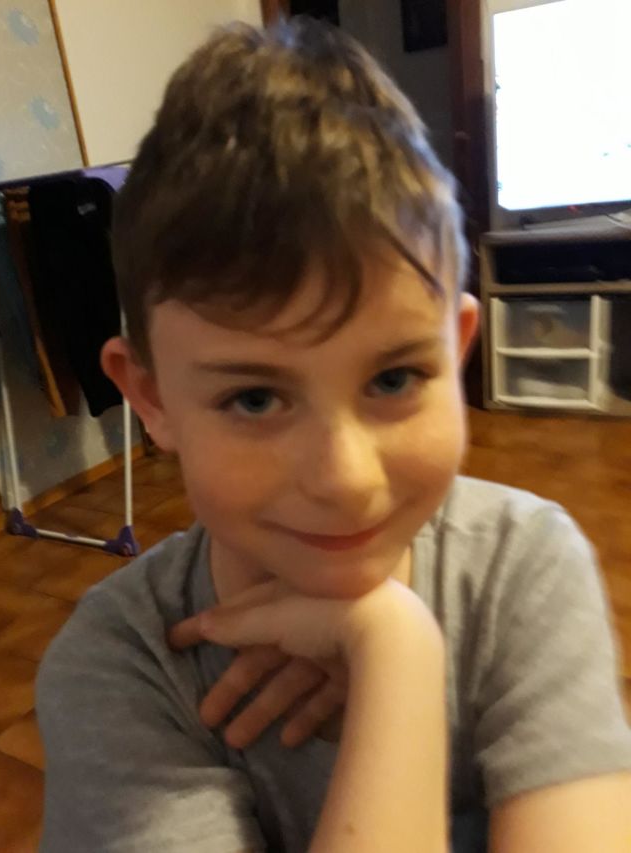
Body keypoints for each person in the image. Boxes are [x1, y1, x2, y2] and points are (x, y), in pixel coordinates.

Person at [35, 16, 631, 853]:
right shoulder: (123, 665)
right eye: (254, 398)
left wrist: (395, 643)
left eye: (393, 379)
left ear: (456, 350)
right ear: (151, 397)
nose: (346, 479)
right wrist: (399, 652)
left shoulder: (523, 569)